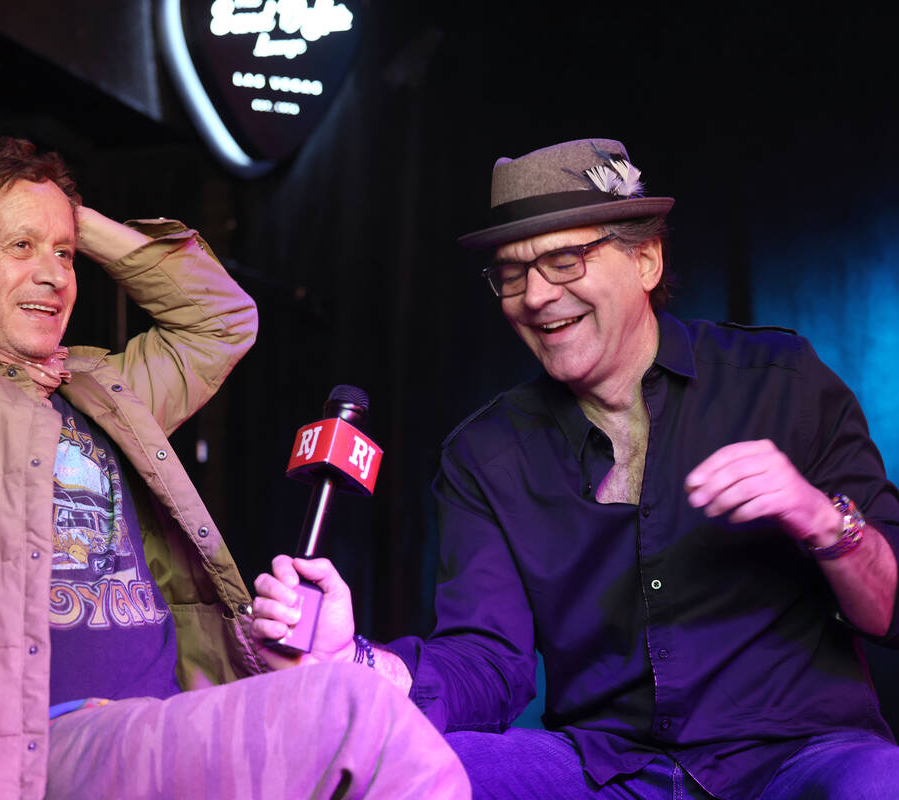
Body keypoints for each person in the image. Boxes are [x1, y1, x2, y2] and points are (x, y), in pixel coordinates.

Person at [0, 132, 468, 800]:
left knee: (367, 718)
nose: (55, 275)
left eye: (64, 254)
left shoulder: (98, 386)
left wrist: (70, 218)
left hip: (155, 725)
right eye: (21, 248)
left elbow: (222, 320)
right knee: (354, 711)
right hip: (21, 755)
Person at [251, 138, 899, 799]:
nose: (534, 296)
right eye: (511, 272)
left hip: (799, 757)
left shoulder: (781, 382)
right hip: (606, 770)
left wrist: (819, 517)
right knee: (406, 771)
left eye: (564, 260)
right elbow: (487, 665)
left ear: (646, 258)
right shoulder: (485, 456)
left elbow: (888, 611)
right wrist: (357, 664)